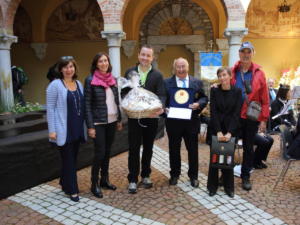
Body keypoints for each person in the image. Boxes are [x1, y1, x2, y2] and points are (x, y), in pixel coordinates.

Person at [121, 45, 166, 194]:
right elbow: (124, 92)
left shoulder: (157, 75)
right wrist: (126, 104)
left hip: (151, 117)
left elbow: (162, 94)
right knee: (133, 148)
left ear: (152, 58)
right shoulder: (130, 73)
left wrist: (160, 106)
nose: (145, 58)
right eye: (143, 55)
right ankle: (132, 178)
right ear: (138, 55)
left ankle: (146, 175)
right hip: (134, 117)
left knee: (148, 147)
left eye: (148, 56)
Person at [231, 41, 269, 191]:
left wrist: (264, 119)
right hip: (234, 116)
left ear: (253, 54)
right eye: (243, 52)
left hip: (251, 117)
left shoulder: (260, 73)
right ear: (239, 53)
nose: (246, 55)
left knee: (248, 147)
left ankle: (245, 176)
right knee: (229, 145)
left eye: (249, 52)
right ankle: (225, 174)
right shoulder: (233, 71)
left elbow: (265, 98)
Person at [46, 56, 85, 202]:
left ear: (75, 68)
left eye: (71, 67)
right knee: (69, 160)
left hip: (77, 128)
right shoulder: (55, 85)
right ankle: (72, 190)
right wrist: (52, 130)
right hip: (63, 129)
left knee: (72, 159)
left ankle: (64, 182)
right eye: (66, 67)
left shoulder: (79, 84)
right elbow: (50, 109)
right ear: (60, 69)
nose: (69, 70)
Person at [164, 57, 208, 188]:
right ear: (174, 68)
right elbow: (162, 99)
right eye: (178, 67)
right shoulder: (166, 83)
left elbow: (204, 97)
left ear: (188, 67)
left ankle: (193, 176)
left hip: (191, 122)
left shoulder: (197, 82)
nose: (181, 69)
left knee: (193, 150)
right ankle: (174, 174)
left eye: (183, 66)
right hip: (173, 122)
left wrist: (198, 104)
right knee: (174, 149)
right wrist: (164, 108)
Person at [84, 52, 122, 198]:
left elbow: (116, 101)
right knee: (99, 153)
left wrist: (118, 120)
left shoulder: (113, 79)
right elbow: (87, 105)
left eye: (105, 60)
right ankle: (94, 184)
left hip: (112, 121)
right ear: (96, 64)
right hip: (98, 122)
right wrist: (90, 126)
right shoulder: (90, 80)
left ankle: (104, 180)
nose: (104, 63)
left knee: (107, 152)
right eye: (100, 61)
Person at [207, 67, 242, 198]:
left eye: (224, 75)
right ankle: (212, 186)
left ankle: (229, 187)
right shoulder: (214, 90)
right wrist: (218, 131)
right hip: (217, 129)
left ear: (230, 76)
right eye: (220, 76)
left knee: (228, 158)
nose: (222, 78)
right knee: (215, 158)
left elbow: (236, 114)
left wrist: (230, 133)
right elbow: (213, 112)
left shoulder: (237, 91)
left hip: (231, 129)